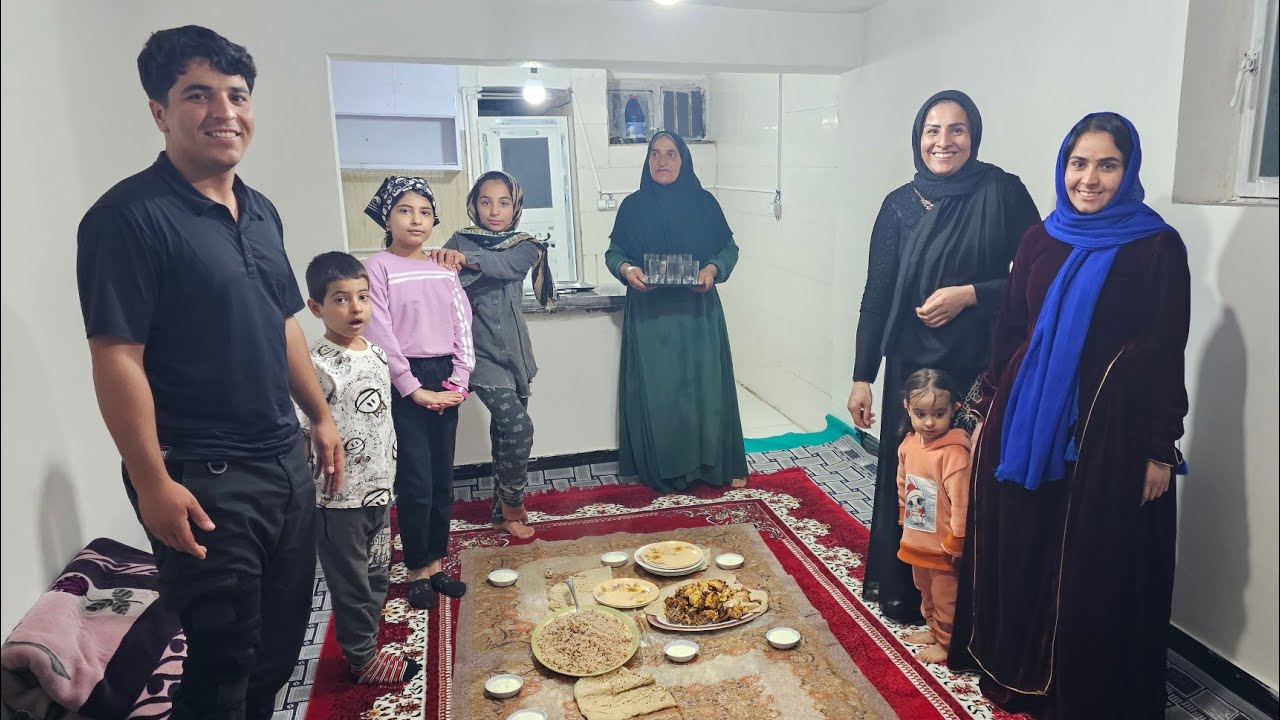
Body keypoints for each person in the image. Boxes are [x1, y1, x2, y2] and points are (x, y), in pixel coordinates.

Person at [76, 26, 341, 719]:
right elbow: (116, 357)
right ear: (159, 111)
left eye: (236, 95)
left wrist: (320, 416)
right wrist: (152, 481)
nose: (224, 112)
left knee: (278, 652)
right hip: (202, 475)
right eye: (198, 95)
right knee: (225, 661)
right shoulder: (127, 218)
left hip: (283, 463)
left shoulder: (260, 210)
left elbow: (283, 322)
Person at [951, 113, 1189, 719]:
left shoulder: (1156, 247)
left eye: (1107, 165)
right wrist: (984, 413)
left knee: (1087, 567)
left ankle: (1075, 693)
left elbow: (1166, 350)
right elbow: (1011, 330)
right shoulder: (1040, 237)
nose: (1089, 179)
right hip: (1025, 423)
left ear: (1128, 171)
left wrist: (1160, 448)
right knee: (1023, 545)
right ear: (1063, 167)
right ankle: (1013, 667)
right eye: (1078, 163)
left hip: (1108, 433)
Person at [845, 90, 1040, 623]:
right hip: (912, 371)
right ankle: (914, 597)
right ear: (918, 137)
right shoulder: (900, 205)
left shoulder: (1002, 192)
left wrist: (972, 294)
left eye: (957, 129)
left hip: (979, 367)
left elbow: (1039, 276)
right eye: (933, 130)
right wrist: (863, 377)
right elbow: (876, 296)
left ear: (973, 135)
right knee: (915, 480)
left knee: (967, 483)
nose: (943, 141)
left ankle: (970, 607)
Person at [298, 252, 421, 684]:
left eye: (363, 297)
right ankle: (362, 659)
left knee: (376, 574)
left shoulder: (376, 353)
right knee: (351, 584)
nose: (355, 308)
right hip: (339, 499)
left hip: (379, 489)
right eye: (341, 299)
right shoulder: (315, 364)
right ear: (316, 308)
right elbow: (304, 430)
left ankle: (367, 644)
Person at [604, 131, 748, 491]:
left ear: (684, 160)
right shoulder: (632, 207)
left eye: (671, 154)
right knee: (660, 396)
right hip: (650, 318)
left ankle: (708, 467)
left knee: (703, 392)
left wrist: (712, 270)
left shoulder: (705, 204)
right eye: (655, 154)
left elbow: (728, 249)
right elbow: (614, 253)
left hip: (697, 314)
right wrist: (627, 270)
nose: (662, 161)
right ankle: (662, 471)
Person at [361, 176, 474, 611]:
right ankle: (415, 569)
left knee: (442, 479)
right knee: (415, 480)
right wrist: (411, 387)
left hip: (445, 375)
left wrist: (460, 380)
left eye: (425, 212)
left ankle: (436, 563)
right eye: (405, 211)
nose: (416, 220)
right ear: (387, 218)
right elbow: (380, 332)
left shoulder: (444, 267)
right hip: (403, 380)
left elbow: (462, 323)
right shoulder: (377, 267)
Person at [429, 170, 554, 540]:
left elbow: (507, 266)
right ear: (474, 205)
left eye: (503, 202)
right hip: (477, 354)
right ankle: (514, 507)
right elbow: (437, 283)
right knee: (519, 427)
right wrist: (450, 258)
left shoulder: (526, 245)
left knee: (504, 434)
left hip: (516, 353)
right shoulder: (459, 240)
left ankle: (499, 514)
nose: (494, 211)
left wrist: (465, 259)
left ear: (515, 206)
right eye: (486, 202)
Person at [894, 369, 969, 664]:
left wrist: (957, 540)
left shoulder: (954, 454)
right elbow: (903, 482)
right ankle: (933, 629)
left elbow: (961, 503)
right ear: (907, 408)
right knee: (923, 587)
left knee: (945, 596)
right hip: (917, 538)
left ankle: (947, 643)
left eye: (939, 414)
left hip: (943, 545)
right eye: (920, 413)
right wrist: (904, 513)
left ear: (954, 409)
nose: (929, 422)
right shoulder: (909, 443)